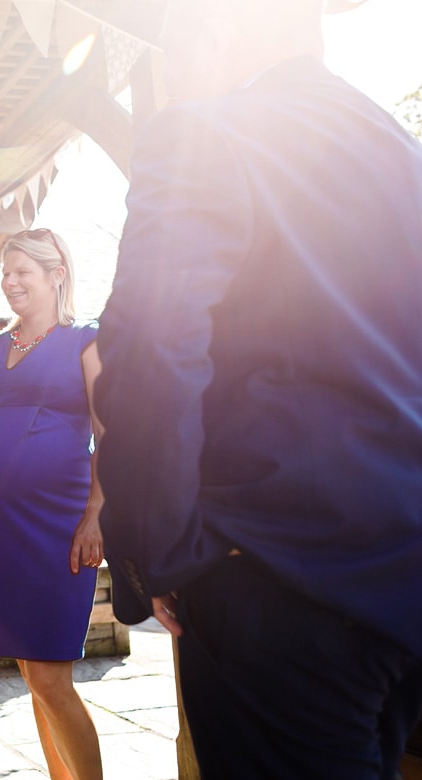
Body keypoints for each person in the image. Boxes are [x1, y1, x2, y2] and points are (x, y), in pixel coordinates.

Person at [93, 1, 422, 777]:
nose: (174, 68)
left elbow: (150, 344)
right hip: (403, 577)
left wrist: (162, 553)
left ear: (218, 30)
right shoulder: (402, 155)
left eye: (174, 42)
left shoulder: (203, 133)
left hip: (276, 581)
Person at [0, 228, 104, 779]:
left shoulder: (86, 340)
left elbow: (110, 433)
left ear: (56, 275)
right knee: (34, 677)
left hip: (58, 527)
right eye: (5, 273)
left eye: (22, 273)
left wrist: (96, 514)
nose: (10, 283)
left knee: (53, 678)